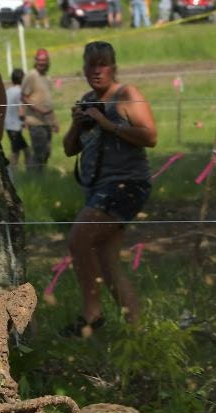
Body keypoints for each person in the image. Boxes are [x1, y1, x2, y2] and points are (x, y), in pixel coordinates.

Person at [60, 41, 156, 336]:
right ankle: (137, 329)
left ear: (114, 67)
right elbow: (67, 149)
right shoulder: (87, 100)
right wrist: (78, 124)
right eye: (91, 65)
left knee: (78, 240)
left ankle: (92, 314)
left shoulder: (127, 94)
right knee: (106, 259)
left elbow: (150, 136)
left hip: (125, 185)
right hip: (97, 187)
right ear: (84, 69)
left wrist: (107, 123)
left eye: (103, 64)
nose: (97, 70)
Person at [21, 49, 58, 173]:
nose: (41, 63)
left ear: (48, 62)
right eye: (39, 60)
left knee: (46, 151)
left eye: (44, 60)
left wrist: (54, 121)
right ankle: (33, 177)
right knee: (39, 151)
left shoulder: (47, 78)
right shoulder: (31, 75)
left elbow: (49, 102)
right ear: (35, 61)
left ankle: (39, 174)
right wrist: (38, 109)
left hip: (47, 121)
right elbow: (24, 96)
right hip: (35, 121)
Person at [4, 68, 28, 170]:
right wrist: (26, 121)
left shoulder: (8, 90)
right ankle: (11, 172)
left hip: (8, 125)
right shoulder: (19, 92)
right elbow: (21, 111)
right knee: (23, 152)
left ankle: (13, 172)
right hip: (14, 127)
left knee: (17, 151)